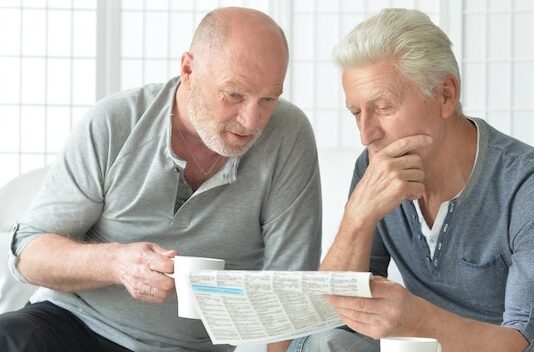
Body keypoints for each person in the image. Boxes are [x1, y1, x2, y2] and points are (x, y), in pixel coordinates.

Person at [0, 7, 321, 352]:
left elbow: (291, 288)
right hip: (74, 322)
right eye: (234, 95)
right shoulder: (114, 122)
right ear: (188, 70)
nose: (252, 120)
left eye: (269, 99)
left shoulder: (289, 136)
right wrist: (117, 263)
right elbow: (28, 255)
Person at [290, 8, 534, 352]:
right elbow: (326, 317)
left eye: (384, 107)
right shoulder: (374, 168)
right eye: (356, 112)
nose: (366, 134)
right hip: (429, 347)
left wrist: (417, 320)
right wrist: (357, 217)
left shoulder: (531, 184)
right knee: (323, 340)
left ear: (445, 95)